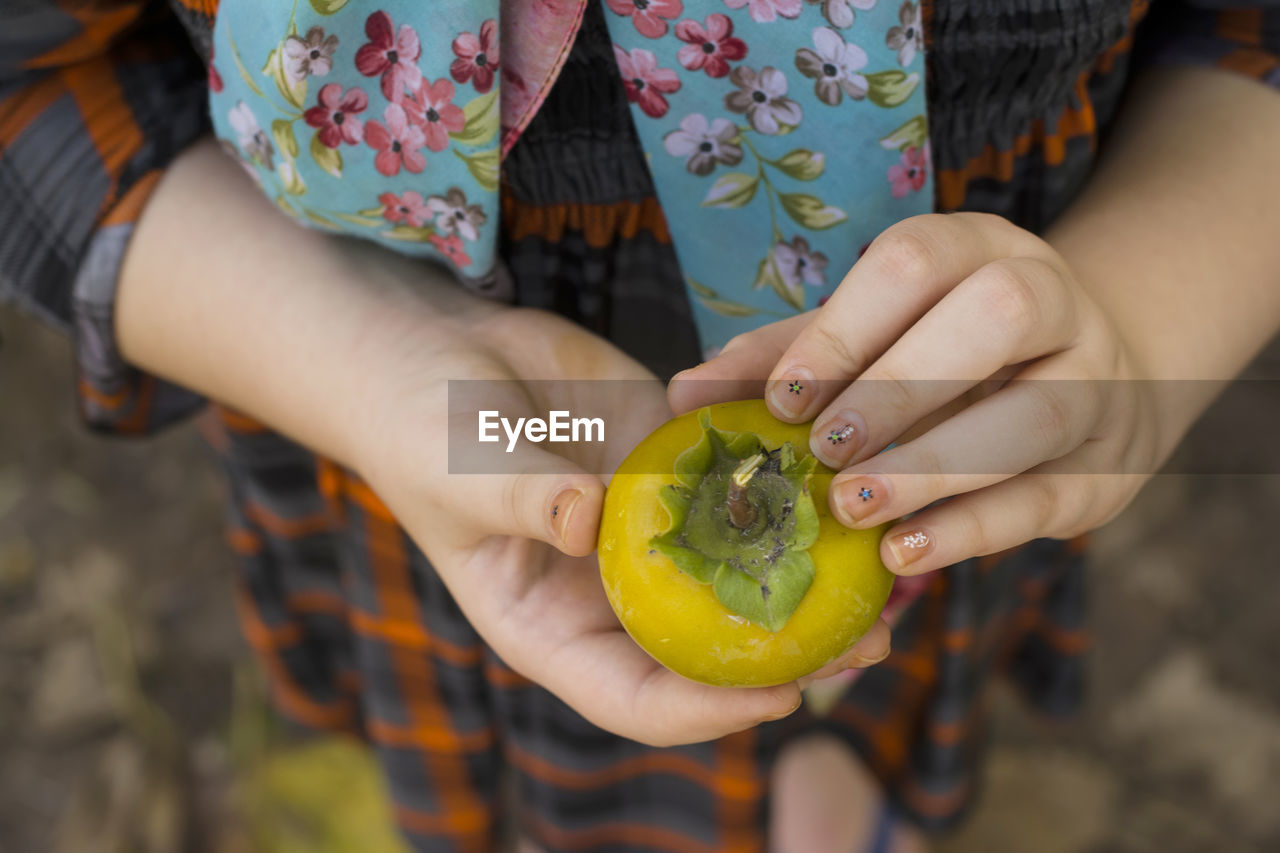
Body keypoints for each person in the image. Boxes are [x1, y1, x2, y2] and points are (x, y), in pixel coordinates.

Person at [2, 0, 1278, 851]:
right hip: (433, 408)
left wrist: (1136, 317)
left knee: (881, 639)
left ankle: (826, 790)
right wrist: (369, 367)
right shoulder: (439, 413)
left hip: (954, 409)